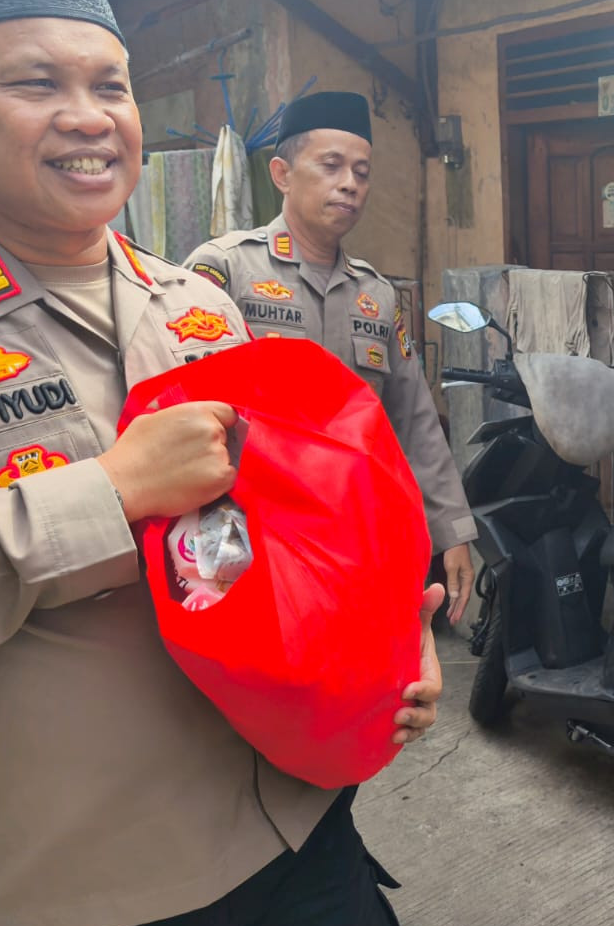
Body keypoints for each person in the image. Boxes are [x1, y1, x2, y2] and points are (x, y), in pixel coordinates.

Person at [0, 0, 441, 926]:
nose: (88, 117)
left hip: (292, 829)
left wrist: (392, 638)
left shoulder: (195, 304)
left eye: (110, 86)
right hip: (74, 897)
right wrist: (111, 495)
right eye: (35, 83)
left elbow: (296, 523)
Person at [186, 93, 478, 624]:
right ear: (282, 174)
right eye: (331, 165)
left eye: (361, 173)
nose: (350, 184)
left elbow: (414, 422)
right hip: (247, 532)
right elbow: (182, 408)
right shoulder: (226, 270)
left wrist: (451, 531)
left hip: (350, 537)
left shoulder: (376, 295)